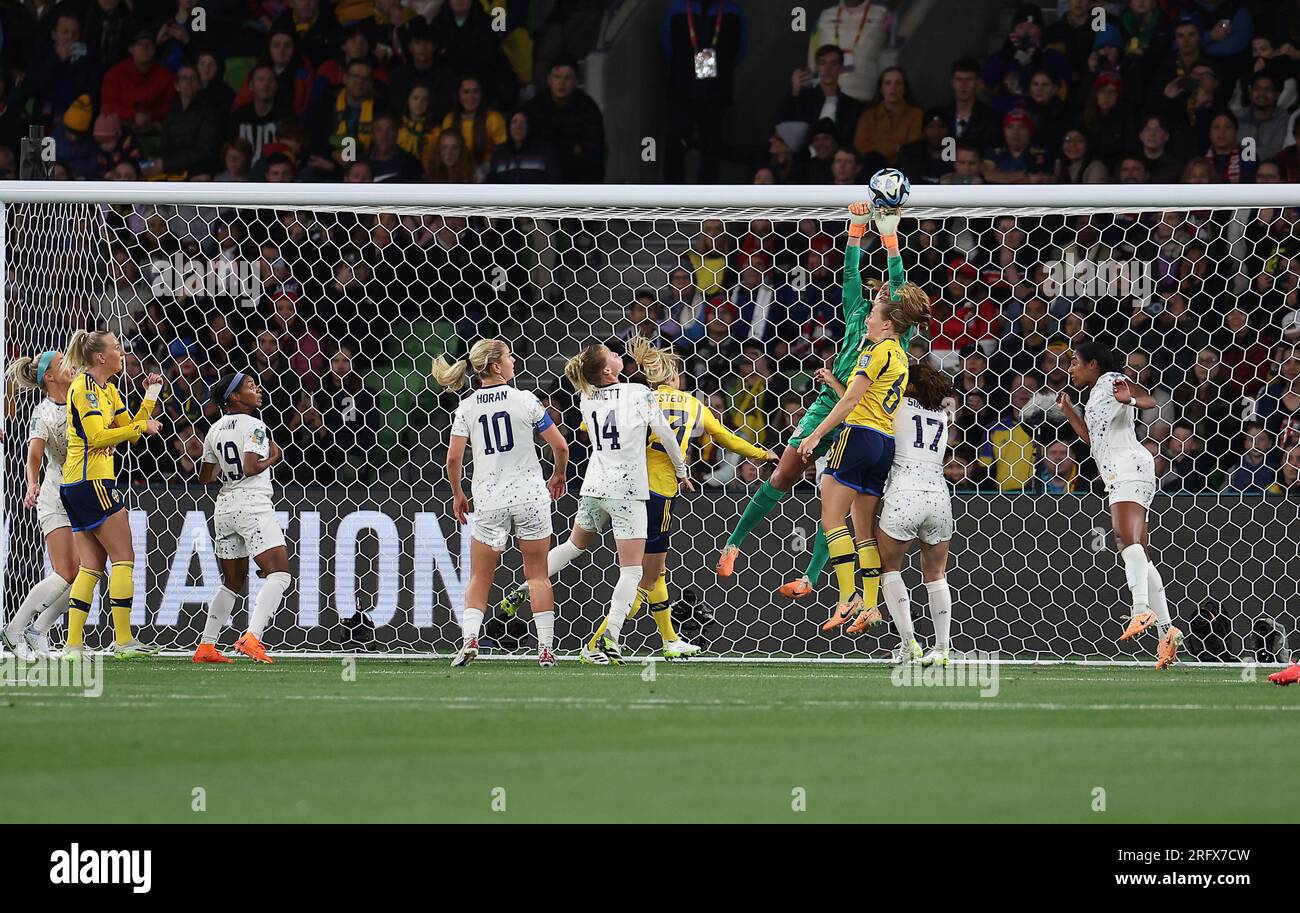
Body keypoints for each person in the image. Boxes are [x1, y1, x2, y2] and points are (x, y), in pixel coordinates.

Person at [716, 201, 922, 604]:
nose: (882, 289)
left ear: (895, 312)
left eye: (888, 292)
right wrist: (855, 230)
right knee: (783, 474)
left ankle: (810, 578)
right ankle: (733, 545)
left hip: (858, 417)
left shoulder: (897, 336)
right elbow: (850, 273)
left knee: (835, 505)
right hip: (829, 403)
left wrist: (890, 237)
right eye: (878, 287)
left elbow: (898, 282)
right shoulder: (859, 315)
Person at [537, 337, 775, 661]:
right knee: (645, 576)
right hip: (659, 490)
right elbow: (728, 438)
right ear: (676, 376)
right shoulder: (692, 405)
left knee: (653, 571)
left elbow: (585, 425)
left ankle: (669, 641)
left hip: (618, 485)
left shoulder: (634, 396)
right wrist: (762, 453)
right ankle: (599, 641)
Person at [517, 343, 690, 665]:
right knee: (632, 569)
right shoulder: (638, 392)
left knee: (572, 546)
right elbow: (665, 435)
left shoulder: (587, 397)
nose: (617, 354)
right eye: (611, 354)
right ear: (609, 370)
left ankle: (525, 587)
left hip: (594, 485)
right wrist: (681, 470)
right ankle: (611, 635)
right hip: (627, 491)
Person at [797, 271, 931, 632]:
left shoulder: (875, 353)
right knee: (863, 531)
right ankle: (870, 606)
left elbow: (853, 399)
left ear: (887, 323)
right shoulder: (900, 356)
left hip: (857, 436)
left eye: (872, 314)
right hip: (883, 444)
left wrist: (815, 436)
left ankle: (844, 599)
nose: (867, 318)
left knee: (831, 520)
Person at [434, 341, 569, 668]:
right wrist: (558, 476)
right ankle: (546, 650)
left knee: (480, 577)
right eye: (509, 356)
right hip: (529, 496)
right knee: (537, 575)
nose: (513, 361)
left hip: (490, 498)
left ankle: (469, 641)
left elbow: (453, 459)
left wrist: (458, 493)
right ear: (496, 367)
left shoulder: (466, 407)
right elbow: (560, 446)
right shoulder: (526, 400)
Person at [1057, 340, 1181, 669]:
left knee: (1124, 540)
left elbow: (1149, 399)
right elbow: (1091, 440)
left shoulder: (1112, 380)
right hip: (1119, 472)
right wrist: (1070, 412)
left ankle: (1141, 609)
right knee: (1141, 553)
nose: (1070, 368)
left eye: (1074, 362)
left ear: (1093, 364)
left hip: (1130, 467)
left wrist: (1132, 400)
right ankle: (1167, 633)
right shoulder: (1093, 395)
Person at [58, 330, 165, 660]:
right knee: (124, 558)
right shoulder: (85, 388)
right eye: (117, 348)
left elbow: (130, 433)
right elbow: (98, 437)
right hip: (92, 483)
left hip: (77, 485)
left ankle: (73, 645)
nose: (123, 352)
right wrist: (139, 428)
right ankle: (123, 640)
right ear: (101, 357)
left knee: (91, 565)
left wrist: (150, 396)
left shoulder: (110, 390)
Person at [194, 373, 290, 664]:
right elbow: (250, 468)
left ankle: (207, 646)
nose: (257, 390)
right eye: (250, 387)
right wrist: (275, 457)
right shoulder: (257, 427)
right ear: (234, 397)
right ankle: (252, 637)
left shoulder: (214, 430)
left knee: (233, 581)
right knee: (280, 574)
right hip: (252, 504)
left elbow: (205, 477)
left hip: (224, 506)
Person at [875, 361, 957, 667]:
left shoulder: (896, 406)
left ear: (908, 385)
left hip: (904, 491)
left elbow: (860, 407)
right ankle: (942, 647)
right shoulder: (942, 415)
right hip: (939, 494)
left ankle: (909, 643)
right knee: (936, 575)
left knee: (889, 569)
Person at [2, 352, 77, 657]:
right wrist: (32, 482)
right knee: (65, 572)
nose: (71, 365)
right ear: (49, 377)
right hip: (56, 495)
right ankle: (15, 629)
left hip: (85, 494)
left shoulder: (83, 398)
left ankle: (37, 630)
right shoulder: (42, 412)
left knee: (90, 572)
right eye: (63, 363)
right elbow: (34, 456)